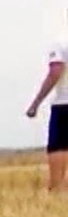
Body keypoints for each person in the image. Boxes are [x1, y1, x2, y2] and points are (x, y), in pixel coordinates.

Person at [25, 29, 67, 193]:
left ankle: (57, 187)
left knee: (58, 146)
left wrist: (35, 103)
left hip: (64, 104)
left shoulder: (61, 44)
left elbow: (55, 72)